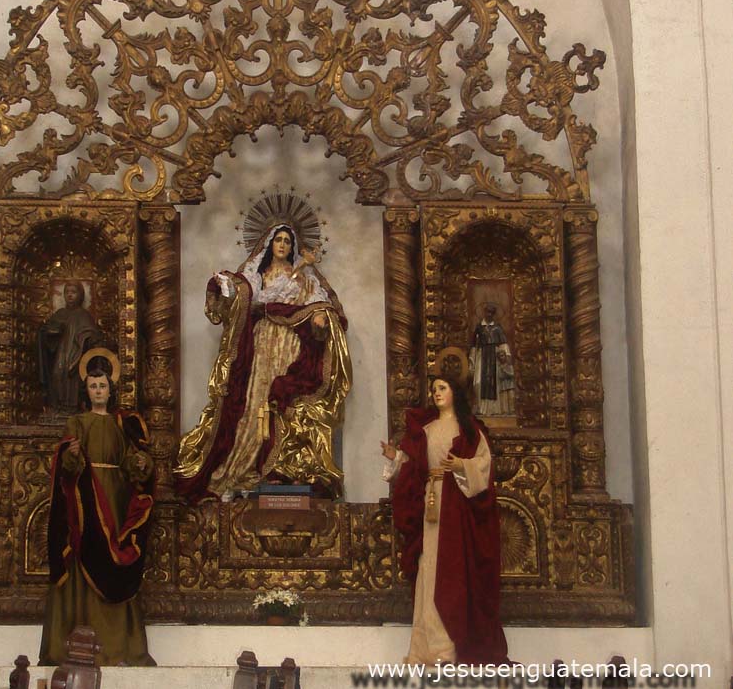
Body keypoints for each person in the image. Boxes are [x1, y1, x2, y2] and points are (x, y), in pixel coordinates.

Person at [175, 223, 352, 502]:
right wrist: (226, 286)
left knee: (281, 400)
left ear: (292, 247)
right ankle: (247, 466)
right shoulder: (258, 275)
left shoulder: (305, 279)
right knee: (254, 402)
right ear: (270, 244)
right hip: (261, 344)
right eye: (278, 240)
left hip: (289, 344)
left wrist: (320, 317)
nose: (282, 245)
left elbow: (319, 305)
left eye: (287, 241)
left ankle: (278, 467)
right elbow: (242, 299)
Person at [39, 349, 155, 666]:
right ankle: (78, 643)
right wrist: (72, 455)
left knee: (115, 560)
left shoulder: (122, 424)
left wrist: (140, 463)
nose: (98, 391)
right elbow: (66, 465)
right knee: (86, 557)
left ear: (110, 388)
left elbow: (131, 461)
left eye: (103, 385)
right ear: (85, 390)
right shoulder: (77, 422)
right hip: (87, 502)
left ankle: (120, 648)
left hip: (115, 500)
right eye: (93, 386)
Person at [381, 377, 507, 666]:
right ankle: (424, 650)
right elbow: (414, 466)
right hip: (431, 502)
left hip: (456, 507)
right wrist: (395, 457)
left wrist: (461, 464)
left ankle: (446, 649)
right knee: (429, 570)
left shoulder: (468, 429)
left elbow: (484, 464)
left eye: (442, 388)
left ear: (454, 393)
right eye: (434, 389)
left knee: (450, 572)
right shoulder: (426, 430)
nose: (436, 393)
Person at [38, 280, 104, 412]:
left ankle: (73, 408)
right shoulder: (60, 314)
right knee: (57, 375)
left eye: (73, 292)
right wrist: (48, 333)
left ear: (81, 295)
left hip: (76, 356)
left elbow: (92, 335)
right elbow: (46, 334)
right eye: (67, 292)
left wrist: (89, 338)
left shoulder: (84, 315)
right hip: (60, 354)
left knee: (74, 380)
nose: (70, 295)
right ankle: (56, 406)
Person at [469, 303, 515, 416]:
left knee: (494, 383)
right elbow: (474, 346)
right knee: (478, 383)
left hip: (495, 357)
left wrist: (505, 357)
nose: (489, 314)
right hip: (482, 356)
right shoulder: (479, 328)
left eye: (491, 312)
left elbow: (503, 344)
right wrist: (472, 361)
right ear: (484, 312)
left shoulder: (497, 328)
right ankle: (481, 408)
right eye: (487, 312)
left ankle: (494, 410)